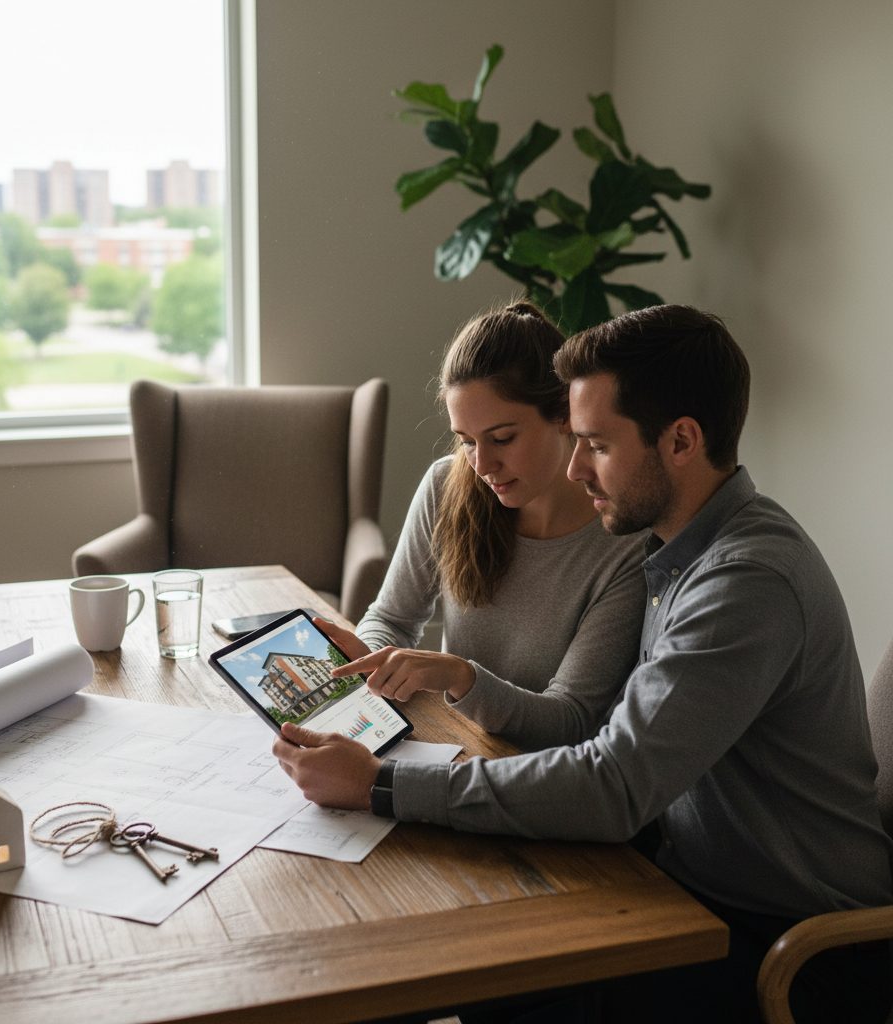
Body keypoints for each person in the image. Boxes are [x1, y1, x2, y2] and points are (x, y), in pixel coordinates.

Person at [274, 305, 893, 1023]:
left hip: (797, 945)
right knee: (449, 957)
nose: (574, 465)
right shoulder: (679, 553)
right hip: (687, 881)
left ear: (683, 441)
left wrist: (381, 785)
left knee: (475, 978)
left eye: (595, 444)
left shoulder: (743, 582)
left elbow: (611, 782)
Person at [339, 300, 649, 750]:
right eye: (466, 441)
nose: (482, 465)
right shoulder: (447, 485)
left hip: (539, 781)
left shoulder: (625, 543)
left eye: (502, 438)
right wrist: (365, 658)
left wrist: (461, 677)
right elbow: (390, 619)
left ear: (564, 413)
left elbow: (571, 719)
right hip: (451, 750)